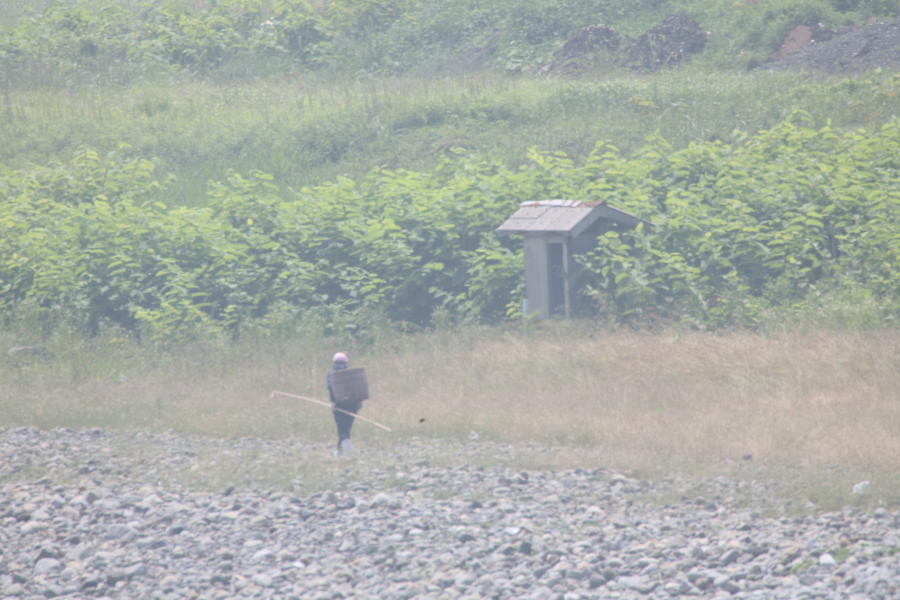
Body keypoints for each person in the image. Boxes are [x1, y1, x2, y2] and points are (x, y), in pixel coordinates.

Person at [327, 352, 361, 455]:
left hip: (339, 406)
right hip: (352, 405)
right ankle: (339, 452)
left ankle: (348, 452)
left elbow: (330, 388)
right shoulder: (351, 373)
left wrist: (332, 402)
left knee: (342, 430)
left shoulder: (331, 373)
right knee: (345, 429)